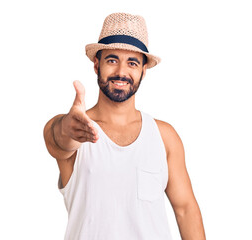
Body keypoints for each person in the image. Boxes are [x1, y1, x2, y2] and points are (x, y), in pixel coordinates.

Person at [43, 12, 206, 240]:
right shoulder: (78, 130)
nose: (121, 72)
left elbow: (185, 209)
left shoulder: (164, 136)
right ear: (96, 64)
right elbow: (57, 140)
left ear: (143, 70)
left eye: (132, 62)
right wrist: (65, 129)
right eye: (112, 60)